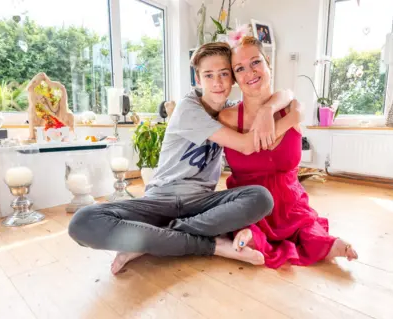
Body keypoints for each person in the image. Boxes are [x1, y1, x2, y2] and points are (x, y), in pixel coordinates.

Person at [68, 42, 302, 275]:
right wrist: (290, 119)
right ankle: (212, 246)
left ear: (232, 79)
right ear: (198, 81)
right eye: (208, 75)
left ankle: (152, 241)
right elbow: (247, 146)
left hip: (202, 204)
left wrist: (268, 109)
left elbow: (288, 95)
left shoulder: (230, 111)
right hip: (160, 200)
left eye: (223, 74)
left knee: (261, 197)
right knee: (83, 221)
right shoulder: (188, 109)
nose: (217, 82)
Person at [219, 36, 358, 269]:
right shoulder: (228, 118)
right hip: (249, 203)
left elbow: (290, 98)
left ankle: (328, 245)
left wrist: (269, 109)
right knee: (248, 232)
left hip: (290, 202)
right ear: (234, 78)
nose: (250, 72)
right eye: (240, 68)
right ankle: (249, 237)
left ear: (268, 64)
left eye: (255, 62)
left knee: (308, 229)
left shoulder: (292, 108)